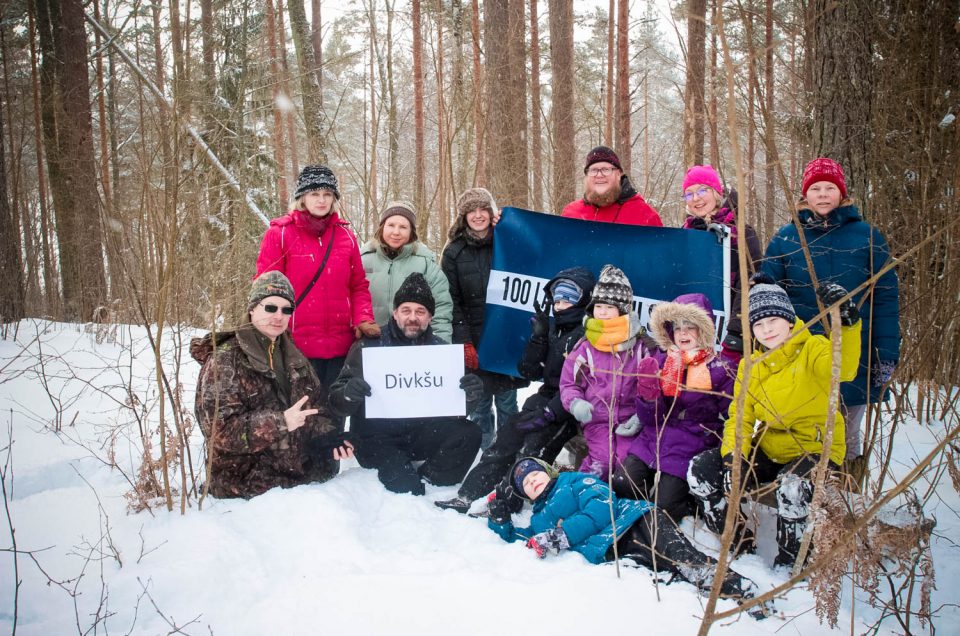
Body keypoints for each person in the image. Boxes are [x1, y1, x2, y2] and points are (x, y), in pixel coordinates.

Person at [687, 275, 862, 568]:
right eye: (758, 324)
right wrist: (733, 456)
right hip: (770, 446)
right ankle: (737, 541)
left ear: (789, 320)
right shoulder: (750, 365)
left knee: (792, 488)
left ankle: (792, 563)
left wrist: (846, 325)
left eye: (773, 321)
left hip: (814, 447)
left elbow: (843, 368)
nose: (766, 330)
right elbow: (739, 418)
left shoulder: (814, 348)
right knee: (700, 471)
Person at [487, 457, 771, 620]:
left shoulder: (574, 481)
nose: (533, 481)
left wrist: (562, 535)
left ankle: (744, 590)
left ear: (548, 472)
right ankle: (724, 604)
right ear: (526, 496)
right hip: (616, 550)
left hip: (638, 522)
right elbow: (524, 540)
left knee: (686, 561)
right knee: (672, 578)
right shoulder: (539, 519)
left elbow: (602, 507)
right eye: (527, 484)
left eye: (535, 474)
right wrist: (500, 521)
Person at [760, 158, 899, 480]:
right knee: (804, 424)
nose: (823, 195)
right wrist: (761, 283)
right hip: (800, 352)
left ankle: (845, 496)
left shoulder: (868, 237)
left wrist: (886, 355)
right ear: (805, 195)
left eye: (830, 188)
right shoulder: (786, 238)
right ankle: (799, 493)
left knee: (846, 430)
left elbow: (887, 299)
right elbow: (768, 292)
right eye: (816, 188)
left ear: (842, 193)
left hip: (854, 350)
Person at [434, 267, 596, 514]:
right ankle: (468, 494)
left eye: (568, 299)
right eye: (558, 299)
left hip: (569, 408)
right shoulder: (556, 328)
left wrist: (550, 413)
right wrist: (539, 338)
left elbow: (583, 386)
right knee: (506, 437)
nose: (561, 305)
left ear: (582, 300)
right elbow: (529, 370)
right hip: (545, 398)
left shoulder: (587, 335)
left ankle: (507, 501)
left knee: (532, 449)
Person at [191, 271, 355, 499]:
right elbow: (221, 432)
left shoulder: (294, 355)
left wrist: (329, 438)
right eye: (270, 308)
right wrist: (280, 421)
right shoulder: (225, 360)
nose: (279, 316)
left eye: (286, 309)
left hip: (296, 476)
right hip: (244, 485)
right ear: (252, 308)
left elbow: (314, 409)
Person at [328, 272, 484, 495]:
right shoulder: (369, 346)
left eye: (420, 312)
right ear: (395, 314)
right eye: (406, 310)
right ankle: (408, 480)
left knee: (469, 433)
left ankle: (432, 478)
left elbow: (454, 411)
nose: (413, 317)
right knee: (406, 488)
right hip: (377, 436)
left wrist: (470, 396)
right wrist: (349, 393)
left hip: (420, 432)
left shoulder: (441, 352)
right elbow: (336, 400)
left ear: (430, 317)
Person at [612, 293, 734, 524]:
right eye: (677, 328)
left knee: (665, 504)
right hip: (654, 436)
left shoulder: (720, 368)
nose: (683, 333)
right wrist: (648, 396)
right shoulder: (661, 361)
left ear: (704, 330)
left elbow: (731, 416)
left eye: (690, 327)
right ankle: (634, 526)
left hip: (693, 441)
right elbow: (649, 418)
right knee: (623, 483)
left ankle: (685, 512)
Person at [256, 165, 379, 389]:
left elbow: (358, 286)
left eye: (327, 194)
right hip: (295, 348)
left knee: (334, 419)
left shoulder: (346, 236)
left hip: (340, 348)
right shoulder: (280, 234)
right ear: (302, 197)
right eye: (315, 194)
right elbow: (265, 290)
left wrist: (362, 318)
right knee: (300, 418)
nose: (321, 200)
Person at [441, 188, 527, 450]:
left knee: (507, 402)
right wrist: (464, 341)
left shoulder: (508, 243)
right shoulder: (453, 252)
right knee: (478, 402)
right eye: (471, 211)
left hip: (505, 336)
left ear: (491, 213)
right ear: (463, 216)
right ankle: (483, 454)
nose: (478, 216)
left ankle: (507, 451)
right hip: (473, 339)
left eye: (483, 210)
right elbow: (451, 301)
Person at [559, 265, 650, 478]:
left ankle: (618, 505)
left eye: (609, 307)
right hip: (597, 421)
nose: (602, 312)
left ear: (623, 309)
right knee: (602, 462)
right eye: (598, 306)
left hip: (630, 422)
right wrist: (576, 403)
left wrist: (641, 415)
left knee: (626, 465)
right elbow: (568, 383)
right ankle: (580, 492)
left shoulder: (640, 347)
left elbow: (650, 386)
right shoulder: (586, 346)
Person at [680, 165, 762, 364]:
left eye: (702, 190)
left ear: (717, 193)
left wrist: (737, 331)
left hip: (727, 331)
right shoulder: (685, 232)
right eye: (689, 194)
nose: (696, 198)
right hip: (691, 330)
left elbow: (750, 281)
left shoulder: (741, 231)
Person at [361, 201, 453, 343]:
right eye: (391, 225)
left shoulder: (426, 264)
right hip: (370, 343)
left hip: (415, 344)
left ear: (411, 232)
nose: (396, 232)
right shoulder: (362, 260)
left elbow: (442, 308)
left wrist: (440, 345)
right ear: (382, 228)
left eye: (403, 227)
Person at [561, 146, 663, 226]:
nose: (599, 175)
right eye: (594, 170)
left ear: (619, 174)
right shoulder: (571, 213)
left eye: (606, 169)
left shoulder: (645, 215)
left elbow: (660, 252)